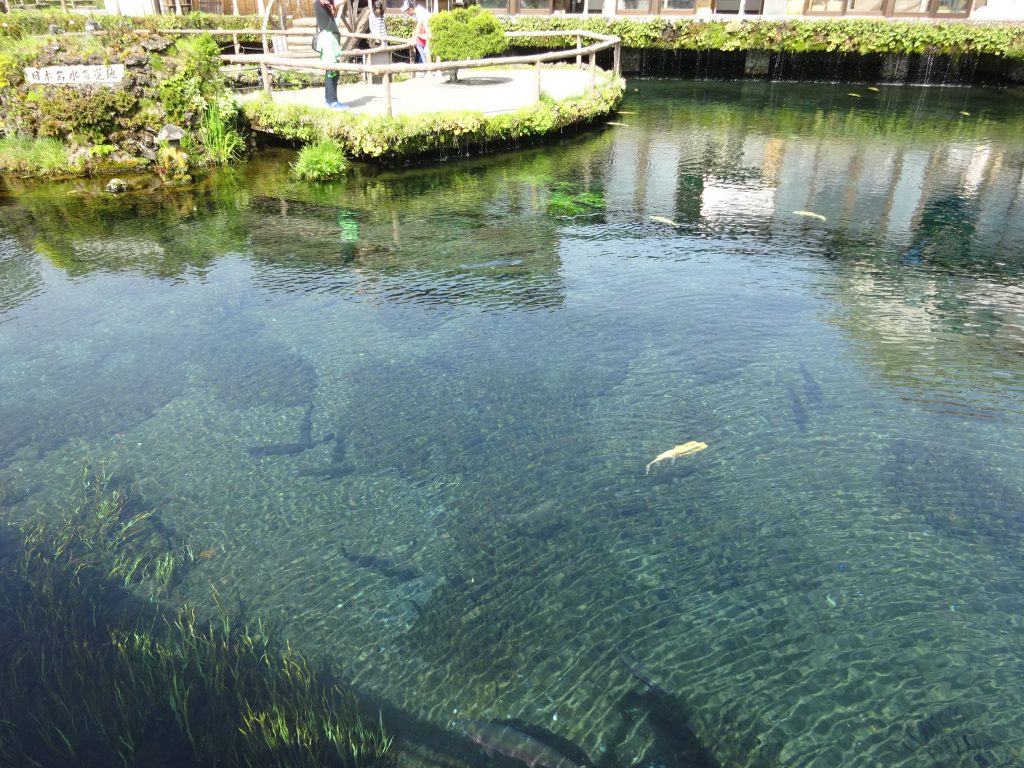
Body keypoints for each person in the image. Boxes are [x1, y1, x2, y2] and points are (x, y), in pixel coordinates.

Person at [314, 0, 348, 109]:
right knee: (332, 70)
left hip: (330, 36)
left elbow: (335, 3)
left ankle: (329, 100)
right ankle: (332, 101)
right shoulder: (320, 2)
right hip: (328, 37)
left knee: (332, 70)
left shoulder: (327, 3)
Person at [401, 0, 430, 69]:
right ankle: (430, 70)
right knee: (425, 51)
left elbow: (419, 25)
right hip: (427, 31)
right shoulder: (415, 14)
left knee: (427, 51)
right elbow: (416, 27)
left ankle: (429, 70)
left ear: (411, 9)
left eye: (407, 11)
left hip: (431, 30)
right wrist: (414, 37)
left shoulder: (419, 11)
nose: (407, 13)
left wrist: (414, 38)